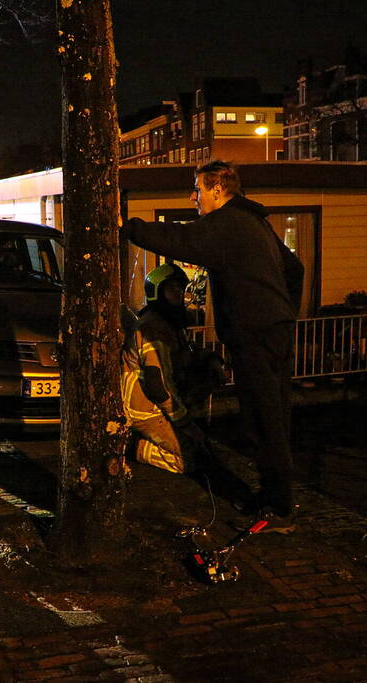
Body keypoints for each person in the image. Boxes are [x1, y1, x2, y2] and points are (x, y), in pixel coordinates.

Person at [124, 160, 304, 534]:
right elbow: (296, 269)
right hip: (277, 329)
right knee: (277, 411)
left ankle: (277, 505)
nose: (194, 197)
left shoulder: (225, 224)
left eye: (198, 189)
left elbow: (181, 239)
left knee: (261, 417)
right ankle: (278, 493)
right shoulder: (257, 224)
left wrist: (132, 229)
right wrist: (284, 310)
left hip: (254, 332)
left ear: (218, 190)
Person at [120, 264, 217, 474]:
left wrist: (210, 358)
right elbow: (158, 385)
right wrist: (184, 422)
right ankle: (131, 447)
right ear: (157, 293)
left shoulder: (169, 323)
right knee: (191, 459)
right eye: (171, 289)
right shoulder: (153, 328)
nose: (179, 294)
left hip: (161, 404)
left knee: (203, 449)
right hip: (145, 409)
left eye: (180, 289)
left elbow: (185, 353)